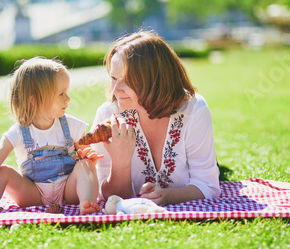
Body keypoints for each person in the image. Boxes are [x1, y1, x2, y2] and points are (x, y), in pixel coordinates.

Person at [91, 30, 220, 206]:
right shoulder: (108, 116)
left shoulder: (194, 110)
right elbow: (108, 197)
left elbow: (208, 185)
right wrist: (120, 164)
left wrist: (167, 196)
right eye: (113, 78)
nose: (115, 90)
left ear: (155, 80)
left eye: (127, 80)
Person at [0, 57, 101, 214]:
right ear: (34, 100)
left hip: (69, 190)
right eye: (61, 93)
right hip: (33, 192)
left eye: (66, 92)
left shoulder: (72, 125)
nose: (68, 99)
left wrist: (88, 158)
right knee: (2, 172)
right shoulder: (19, 131)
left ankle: (87, 203)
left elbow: (85, 153)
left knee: (86, 166)